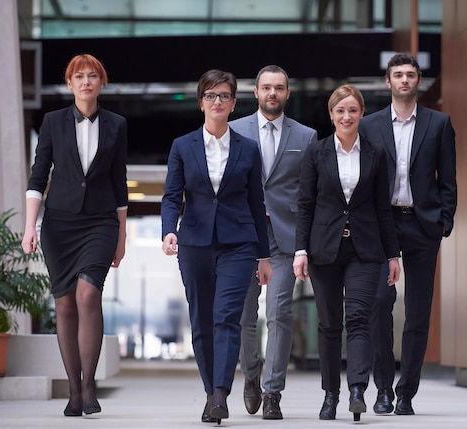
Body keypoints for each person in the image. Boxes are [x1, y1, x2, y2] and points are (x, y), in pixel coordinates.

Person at [161, 69, 272, 424]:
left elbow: (257, 203)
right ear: (201, 102)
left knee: (227, 316)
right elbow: (170, 197)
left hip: (239, 243)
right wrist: (168, 231)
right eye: (211, 96)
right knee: (202, 321)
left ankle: (221, 394)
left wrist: (264, 254)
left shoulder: (248, 148)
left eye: (224, 96)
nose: (218, 102)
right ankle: (211, 391)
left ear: (234, 103)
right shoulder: (182, 146)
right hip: (194, 242)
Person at [21, 53, 128, 417]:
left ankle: (88, 384)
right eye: (78, 76)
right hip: (59, 224)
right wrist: (28, 227)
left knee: (87, 295)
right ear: (69, 84)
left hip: (100, 222)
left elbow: (119, 184)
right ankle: (72, 388)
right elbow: (38, 177)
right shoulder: (52, 122)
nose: (85, 81)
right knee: (64, 303)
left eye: (92, 76)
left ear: (102, 82)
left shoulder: (116, 124)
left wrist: (122, 238)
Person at [293, 84, 401, 422]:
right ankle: (330, 394)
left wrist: (393, 255)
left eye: (353, 110)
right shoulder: (317, 153)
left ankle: (357, 389)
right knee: (328, 325)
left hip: (365, 250)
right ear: (331, 115)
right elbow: (305, 205)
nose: (347, 116)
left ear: (361, 114)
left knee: (358, 319)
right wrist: (300, 250)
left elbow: (383, 208)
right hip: (324, 249)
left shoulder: (375, 153)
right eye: (340, 110)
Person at [359, 53, 457, 416]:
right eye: (397, 75)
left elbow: (448, 179)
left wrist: (444, 220)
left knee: (417, 312)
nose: (404, 80)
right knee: (380, 307)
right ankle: (383, 388)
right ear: (388, 81)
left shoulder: (439, 123)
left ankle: (406, 394)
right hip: (381, 226)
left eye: (410, 75)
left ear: (419, 81)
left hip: (422, 225)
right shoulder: (369, 126)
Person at [229, 65, 317, 420]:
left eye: (279, 88)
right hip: (245, 237)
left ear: (287, 93)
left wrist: (305, 244)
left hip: (285, 236)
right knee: (243, 316)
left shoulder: (306, 136)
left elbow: (310, 194)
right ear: (256, 92)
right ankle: (252, 374)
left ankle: (272, 392)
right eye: (267, 87)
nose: (273, 94)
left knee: (280, 312)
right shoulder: (234, 130)